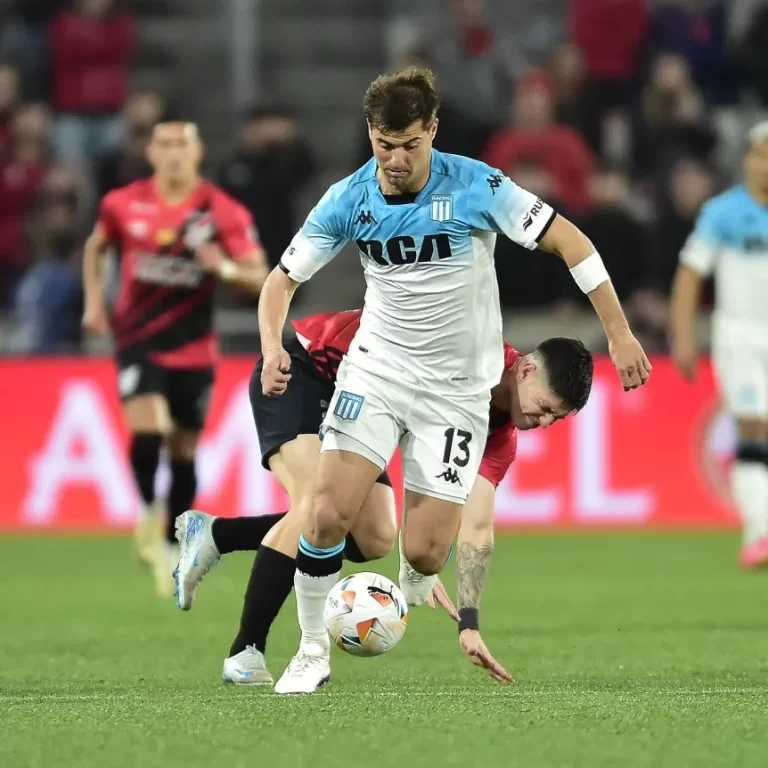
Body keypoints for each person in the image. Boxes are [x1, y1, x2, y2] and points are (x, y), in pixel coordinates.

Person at [258, 66, 649, 695]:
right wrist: (269, 345)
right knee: (328, 511)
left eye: (410, 144)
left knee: (424, 552)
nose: (396, 158)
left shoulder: (476, 185)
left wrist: (620, 332)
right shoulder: (349, 197)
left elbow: (571, 242)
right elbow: (281, 280)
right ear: (371, 135)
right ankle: (309, 651)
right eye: (385, 144)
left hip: (457, 394)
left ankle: (406, 591)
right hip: (378, 370)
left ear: (432, 131)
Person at [173, 309, 594, 686]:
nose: (544, 422)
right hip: (307, 370)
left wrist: (468, 622)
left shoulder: (499, 436)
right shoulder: (468, 352)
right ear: (525, 371)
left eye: (556, 416)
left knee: (374, 537)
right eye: (545, 406)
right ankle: (246, 650)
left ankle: (216, 534)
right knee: (312, 506)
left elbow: (478, 526)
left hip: (365, 402)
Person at [81, 116, 268, 596]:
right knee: (149, 432)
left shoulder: (220, 210)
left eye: (182, 144)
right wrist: (95, 304)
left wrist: (222, 266)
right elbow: (96, 245)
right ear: (151, 152)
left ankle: (168, 541)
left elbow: (260, 275)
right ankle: (146, 513)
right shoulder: (123, 204)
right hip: (137, 339)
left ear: (197, 152)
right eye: (163, 144)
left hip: (194, 347)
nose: (173, 153)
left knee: (183, 451)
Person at [670, 121, 768, 569]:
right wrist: (684, 336)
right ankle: (759, 533)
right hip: (741, 335)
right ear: (747, 159)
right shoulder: (723, 213)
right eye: (759, 154)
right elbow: (691, 273)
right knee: (752, 425)